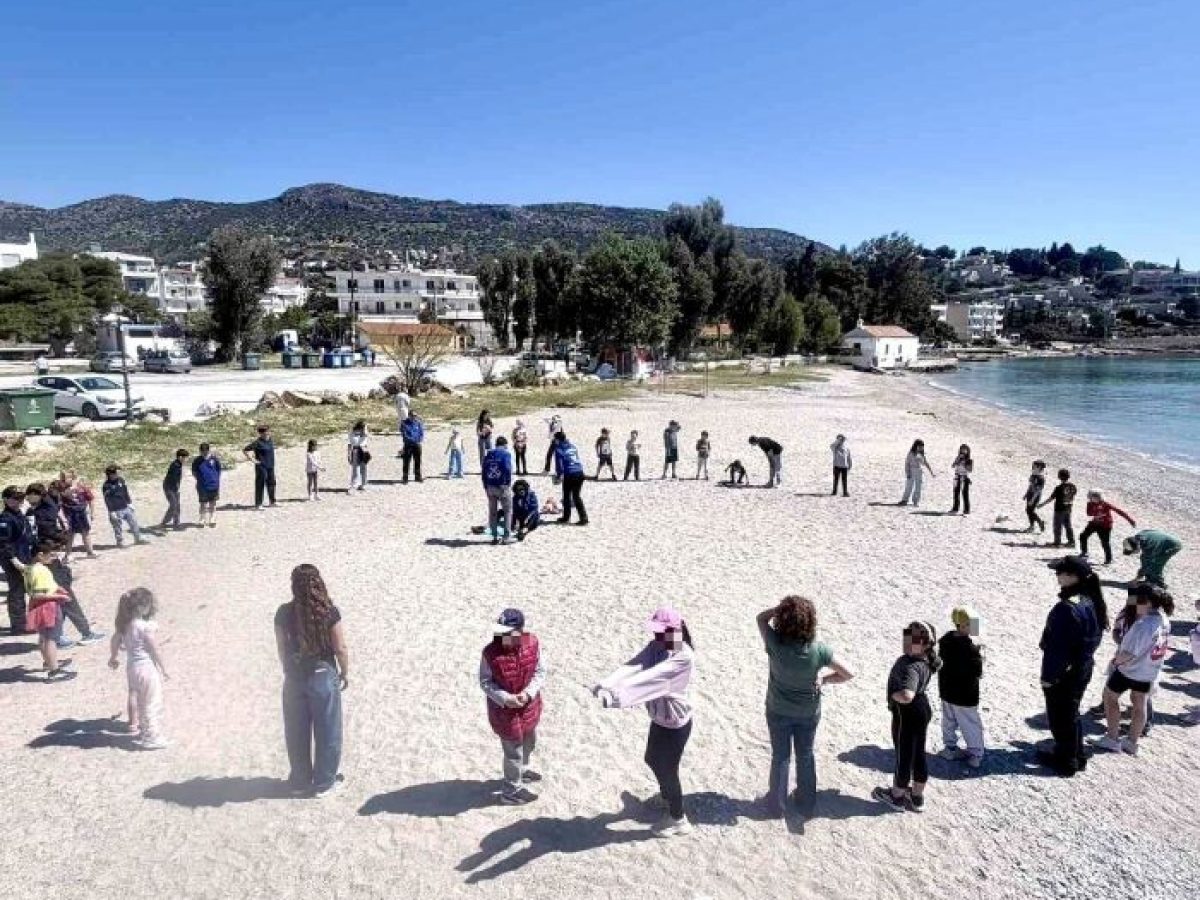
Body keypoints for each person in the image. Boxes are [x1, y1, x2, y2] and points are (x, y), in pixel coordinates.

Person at [593, 607, 696, 838]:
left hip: (675, 724)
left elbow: (649, 679)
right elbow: (634, 665)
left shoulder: (683, 657)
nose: (656, 637)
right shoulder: (657, 646)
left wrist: (616, 696)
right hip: (660, 718)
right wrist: (606, 683)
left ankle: (678, 818)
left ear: (676, 631)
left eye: (661, 633)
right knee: (651, 759)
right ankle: (668, 797)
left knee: (667, 769)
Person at [755, 597, 854, 818]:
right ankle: (806, 802)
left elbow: (761, 618)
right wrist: (825, 680)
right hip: (808, 712)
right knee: (806, 755)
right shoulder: (819, 651)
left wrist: (778, 610)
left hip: (778, 709)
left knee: (780, 756)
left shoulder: (774, 644)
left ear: (782, 621)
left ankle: (776, 805)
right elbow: (848, 673)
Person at [275, 564, 349, 796]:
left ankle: (300, 780)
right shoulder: (328, 611)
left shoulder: (283, 613)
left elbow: (281, 648)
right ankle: (324, 781)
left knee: (296, 730)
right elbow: (340, 648)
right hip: (322, 674)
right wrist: (344, 672)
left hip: (294, 676)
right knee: (328, 730)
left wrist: (288, 670)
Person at [1037, 556, 1106, 776]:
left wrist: (1049, 677)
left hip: (1065, 670)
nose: (1057, 576)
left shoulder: (1067, 608)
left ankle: (1066, 761)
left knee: (1060, 715)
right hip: (1083, 665)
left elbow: (1056, 649)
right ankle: (1076, 754)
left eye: (1060, 572)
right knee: (1071, 713)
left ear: (1072, 576)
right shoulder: (1090, 600)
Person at [1090, 583, 1172, 757]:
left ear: (1147, 602)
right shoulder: (1164, 620)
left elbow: (1128, 653)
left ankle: (1112, 738)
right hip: (1149, 671)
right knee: (1139, 703)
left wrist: (1116, 661)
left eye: (1137, 601)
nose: (1133, 605)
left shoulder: (1143, 624)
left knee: (1110, 696)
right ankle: (1132, 742)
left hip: (1130, 670)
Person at [479, 608, 545, 804]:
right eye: (500, 632)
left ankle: (522, 772)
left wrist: (528, 693)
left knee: (529, 741)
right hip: (504, 713)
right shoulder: (490, 653)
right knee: (513, 752)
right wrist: (505, 698)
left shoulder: (532, 643)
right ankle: (511, 791)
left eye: (507, 633)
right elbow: (485, 682)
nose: (502, 636)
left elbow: (540, 672)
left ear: (519, 631)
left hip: (528, 706)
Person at [873, 621, 941, 812]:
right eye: (907, 637)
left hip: (907, 712)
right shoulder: (929, 660)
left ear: (926, 644)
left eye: (914, 640)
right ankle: (917, 796)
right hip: (922, 708)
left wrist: (894, 695)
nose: (908, 642)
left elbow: (907, 695)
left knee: (904, 754)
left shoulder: (910, 665)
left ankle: (896, 796)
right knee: (918, 754)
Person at [108, 587, 168, 747]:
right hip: (147, 668)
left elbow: (114, 641)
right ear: (143, 607)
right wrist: (163, 667)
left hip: (132, 668)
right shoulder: (144, 627)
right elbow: (154, 649)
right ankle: (152, 737)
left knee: (141, 702)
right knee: (152, 702)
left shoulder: (124, 626)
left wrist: (113, 657)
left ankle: (144, 732)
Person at [937, 606, 985, 769]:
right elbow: (977, 672)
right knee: (970, 724)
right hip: (965, 695)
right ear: (963, 626)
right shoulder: (971, 649)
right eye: (972, 624)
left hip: (947, 691)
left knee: (948, 721)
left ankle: (950, 749)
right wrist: (980, 657)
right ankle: (975, 754)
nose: (975, 626)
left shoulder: (945, 641)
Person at [19, 541, 74, 680]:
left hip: (36, 607)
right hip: (47, 607)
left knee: (43, 637)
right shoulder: (41, 570)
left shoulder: (29, 568)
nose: (53, 557)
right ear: (40, 555)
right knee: (51, 638)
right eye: (50, 555)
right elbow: (38, 594)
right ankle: (54, 671)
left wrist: (56, 588)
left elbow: (39, 590)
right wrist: (59, 596)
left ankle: (49, 661)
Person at [48, 552, 104, 648]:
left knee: (60, 610)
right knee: (71, 607)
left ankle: (57, 637)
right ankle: (86, 634)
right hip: (56, 576)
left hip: (54, 572)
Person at [0, 485, 34, 634]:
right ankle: (18, 625)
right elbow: (4, 542)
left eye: (21, 498)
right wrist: (13, 559)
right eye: (16, 498)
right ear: (6, 500)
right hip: (13, 560)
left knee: (31, 589)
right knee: (17, 591)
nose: (19, 501)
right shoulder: (5, 519)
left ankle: (30, 621)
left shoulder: (20, 514)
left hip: (25, 556)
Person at [1080, 491, 1136, 565]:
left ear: (1097, 497)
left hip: (1105, 526)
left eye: (1091, 497)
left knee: (1105, 543)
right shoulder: (1090, 504)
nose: (1090, 499)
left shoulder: (1105, 504)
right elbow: (1089, 513)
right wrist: (1095, 510)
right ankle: (1084, 552)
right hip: (1095, 523)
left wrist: (1130, 520)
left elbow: (1119, 511)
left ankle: (1108, 559)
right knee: (1083, 536)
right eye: (1090, 497)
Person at [57, 470, 97, 562]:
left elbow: (90, 499)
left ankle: (90, 552)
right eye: (64, 478)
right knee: (70, 535)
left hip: (81, 513)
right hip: (70, 514)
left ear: (73, 477)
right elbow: (59, 505)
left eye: (68, 477)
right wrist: (63, 518)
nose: (66, 480)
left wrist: (92, 512)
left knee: (85, 532)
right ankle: (68, 554)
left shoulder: (81, 487)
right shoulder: (61, 490)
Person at [102, 465, 144, 547]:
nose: (118, 474)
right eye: (117, 473)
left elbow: (125, 492)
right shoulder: (106, 486)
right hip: (116, 509)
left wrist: (130, 503)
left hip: (125, 506)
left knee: (134, 523)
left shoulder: (121, 480)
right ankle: (120, 542)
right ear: (111, 474)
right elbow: (107, 499)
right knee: (117, 527)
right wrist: (111, 511)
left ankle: (138, 539)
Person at [483, 436, 514, 545]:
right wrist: (508, 483)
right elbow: (507, 468)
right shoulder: (506, 454)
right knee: (507, 511)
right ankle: (506, 537)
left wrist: (485, 486)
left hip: (490, 485)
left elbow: (484, 470)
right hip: (502, 485)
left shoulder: (489, 454)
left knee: (492, 512)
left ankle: (494, 536)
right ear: (505, 444)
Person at [552, 432, 588, 525]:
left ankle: (566, 517)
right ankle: (584, 518)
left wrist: (559, 476)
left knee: (567, 496)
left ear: (558, 439)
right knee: (576, 496)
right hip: (580, 472)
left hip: (570, 474)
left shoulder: (558, 449)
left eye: (555, 439)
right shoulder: (572, 446)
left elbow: (559, 465)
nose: (554, 440)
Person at [1038, 468, 1077, 548]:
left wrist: (1042, 504)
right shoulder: (1073, 486)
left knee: (1057, 526)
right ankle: (1071, 541)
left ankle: (1057, 542)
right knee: (1068, 526)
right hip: (1068, 508)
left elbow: (1051, 498)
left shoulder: (1059, 487)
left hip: (1059, 509)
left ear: (1059, 477)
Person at [243, 424, 278, 509]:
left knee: (272, 483)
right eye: (265, 432)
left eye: (268, 431)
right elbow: (245, 450)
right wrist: (252, 460)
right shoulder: (257, 442)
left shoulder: (270, 440)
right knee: (260, 484)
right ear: (261, 433)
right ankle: (258, 504)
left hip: (270, 465)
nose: (267, 433)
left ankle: (272, 502)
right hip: (261, 466)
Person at [25, 482, 64, 547]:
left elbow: (45, 526)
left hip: (49, 538)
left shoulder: (47, 508)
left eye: (31, 494)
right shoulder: (44, 503)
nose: (28, 497)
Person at [191, 443, 221, 527]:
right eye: (202, 451)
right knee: (202, 503)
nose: (204, 452)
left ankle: (212, 519)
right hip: (202, 486)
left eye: (205, 451)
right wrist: (200, 480)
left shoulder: (214, 459)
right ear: (200, 451)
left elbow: (218, 470)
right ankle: (201, 519)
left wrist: (216, 480)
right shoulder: (197, 460)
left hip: (213, 485)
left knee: (212, 503)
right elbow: (194, 472)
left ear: (208, 450)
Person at [899, 439, 935, 507]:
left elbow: (926, 463)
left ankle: (915, 501)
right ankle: (904, 500)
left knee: (918, 487)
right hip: (911, 470)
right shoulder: (910, 453)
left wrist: (931, 472)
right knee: (909, 486)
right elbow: (907, 463)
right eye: (919, 446)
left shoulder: (921, 454)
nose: (921, 448)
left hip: (919, 471)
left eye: (922, 447)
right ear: (915, 446)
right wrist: (907, 472)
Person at [159, 449, 189, 529]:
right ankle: (164, 522)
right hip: (169, 488)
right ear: (180, 457)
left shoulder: (178, 464)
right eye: (185, 458)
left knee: (177, 505)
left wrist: (177, 487)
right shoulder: (175, 465)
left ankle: (176, 523)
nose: (186, 459)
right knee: (173, 505)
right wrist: (176, 487)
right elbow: (173, 478)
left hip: (175, 487)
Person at [1023, 460, 1047, 533]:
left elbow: (1038, 490)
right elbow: (1030, 485)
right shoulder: (1033, 475)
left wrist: (1032, 499)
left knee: (1030, 511)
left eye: (1034, 466)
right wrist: (1026, 494)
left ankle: (1035, 524)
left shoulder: (1041, 478)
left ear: (1039, 467)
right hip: (1030, 494)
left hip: (1035, 496)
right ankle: (1034, 525)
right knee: (1028, 510)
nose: (1032, 467)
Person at [401, 412, 425, 484]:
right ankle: (405, 477)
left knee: (417, 461)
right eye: (413, 416)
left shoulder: (418, 423)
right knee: (406, 461)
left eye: (415, 416)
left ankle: (417, 476)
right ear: (409, 416)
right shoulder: (404, 423)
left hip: (417, 444)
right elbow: (404, 434)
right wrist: (412, 440)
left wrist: (419, 439)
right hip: (408, 445)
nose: (414, 417)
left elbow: (421, 433)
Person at [347, 420, 370, 491]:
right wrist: (348, 455)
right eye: (364, 428)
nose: (365, 429)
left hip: (364, 450)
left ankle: (363, 484)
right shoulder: (352, 433)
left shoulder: (364, 433)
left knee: (364, 468)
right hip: (356, 450)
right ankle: (354, 484)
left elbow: (365, 439)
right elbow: (351, 443)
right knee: (355, 469)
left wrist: (364, 434)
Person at [950, 444, 973, 515]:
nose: (963, 451)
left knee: (965, 494)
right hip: (957, 477)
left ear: (967, 451)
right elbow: (953, 466)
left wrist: (965, 463)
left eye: (965, 449)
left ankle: (967, 509)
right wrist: (958, 459)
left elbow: (970, 470)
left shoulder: (969, 460)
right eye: (962, 449)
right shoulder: (958, 458)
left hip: (964, 477)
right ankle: (955, 508)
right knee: (956, 493)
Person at [394, 389, 412, 455]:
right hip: (404, 410)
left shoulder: (397, 395)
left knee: (400, 420)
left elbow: (395, 402)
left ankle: (401, 429)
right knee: (405, 420)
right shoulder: (406, 396)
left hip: (398, 409)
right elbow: (408, 403)